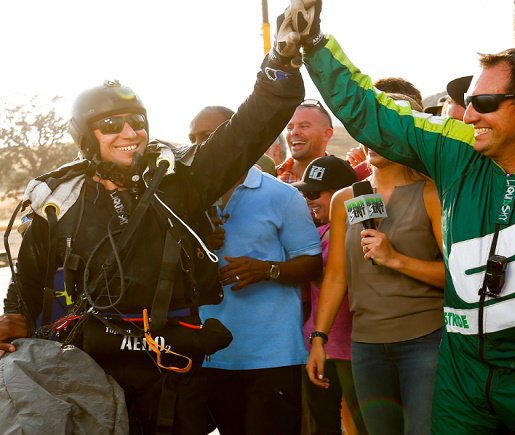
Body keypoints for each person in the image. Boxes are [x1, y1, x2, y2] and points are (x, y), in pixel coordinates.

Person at [292, 3, 515, 432]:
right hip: (460, 379)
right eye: (470, 101)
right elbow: (373, 111)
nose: (470, 113)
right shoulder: (454, 148)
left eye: (484, 102)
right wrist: (315, 44)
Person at [0, 10, 305, 434]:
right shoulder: (60, 200)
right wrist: (13, 318)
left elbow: (248, 130)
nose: (130, 132)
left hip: (173, 363)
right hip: (90, 364)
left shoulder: (183, 178)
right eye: (111, 125)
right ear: (87, 136)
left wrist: (281, 63)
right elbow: (27, 279)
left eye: (137, 122)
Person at [306, 93, 445, 435]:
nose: (370, 136)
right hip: (366, 346)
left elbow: (459, 277)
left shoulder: (430, 193)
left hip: (425, 341)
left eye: (382, 128)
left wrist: (396, 259)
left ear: (407, 133)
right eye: (365, 127)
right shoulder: (348, 198)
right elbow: (336, 276)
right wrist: (319, 338)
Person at [187, 106, 323, 434]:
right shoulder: (185, 201)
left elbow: (312, 262)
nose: (197, 146)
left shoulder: (283, 196)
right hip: (209, 355)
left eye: (207, 137)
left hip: (272, 356)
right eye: (192, 138)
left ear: (238, 135)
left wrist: (267, 269)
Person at [292, 155, 368, 435]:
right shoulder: (314, 231)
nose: (308, 200)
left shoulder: (364, 226)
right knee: (323, 426)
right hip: (318, 345)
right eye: (304, 193)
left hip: (355, 347)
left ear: (340, 194)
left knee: (366, 426)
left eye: (314, 193)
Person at [278, 99, 334, 183]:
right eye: (290, 128)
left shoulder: (344, 179)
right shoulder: (270, 177)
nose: (294, 132)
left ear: (326, 134)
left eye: (304, 126)